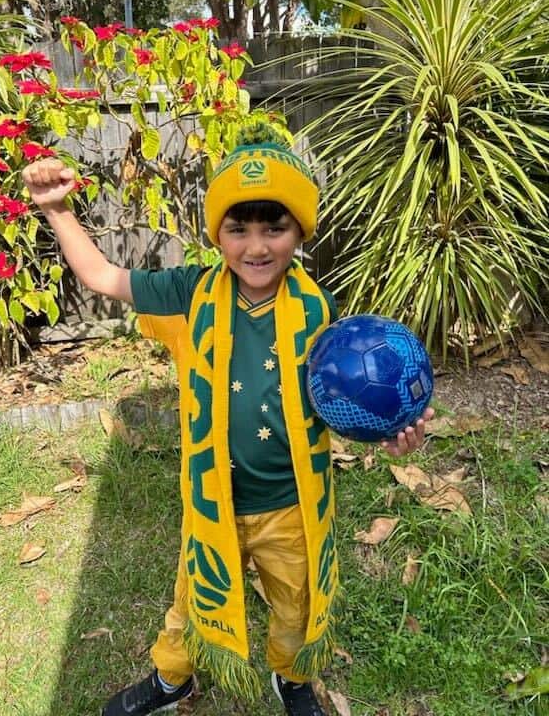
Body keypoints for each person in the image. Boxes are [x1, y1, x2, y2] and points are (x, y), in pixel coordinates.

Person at [23, 124, 433, 716]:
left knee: (297, 602)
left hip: (293, 503)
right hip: (215, 498)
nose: (257, 246)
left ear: (299, 231)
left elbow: (348, 400)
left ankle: (291, 678)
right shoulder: (193, 292)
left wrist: (392, 436)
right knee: (193, 599)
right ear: (218, 233)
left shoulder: (320, 310)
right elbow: (103, 277)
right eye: (238, 229)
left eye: (276, 227)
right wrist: (57, 209)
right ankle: (174, 678)